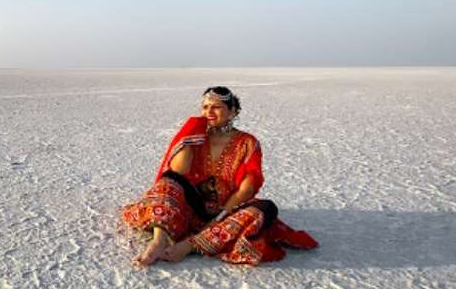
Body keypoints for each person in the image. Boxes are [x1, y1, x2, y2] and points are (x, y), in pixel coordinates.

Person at [122, 86, 318, 267]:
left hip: (229, 210)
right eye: (205, 107)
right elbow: (179, 170)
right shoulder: (197, 137)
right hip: (193, 207)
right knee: (169, 180)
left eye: (216, 107)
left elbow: (247, 188)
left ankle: (191, 245)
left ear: (232, 112)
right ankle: (159, 240)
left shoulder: (247, 143)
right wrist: (191, 132)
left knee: (265, 209)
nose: (209, 112)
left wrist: (220, 217)